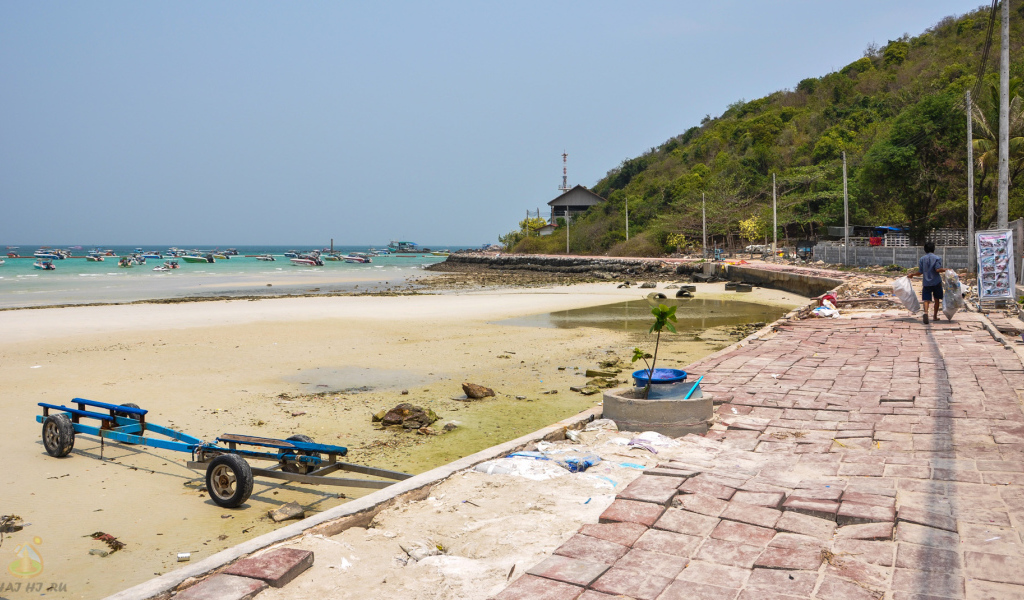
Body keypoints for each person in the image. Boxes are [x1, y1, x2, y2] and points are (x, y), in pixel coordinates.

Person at [908, 241, 947, 324]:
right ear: (933, 249)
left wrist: (912, 274)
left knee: (926, 299)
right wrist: (946, 269)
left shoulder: (922, 259)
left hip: (926, 282)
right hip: (936, 282)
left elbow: (920, 272)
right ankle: (935, 316)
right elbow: (937, 269)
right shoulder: (937, 258)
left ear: (925, 249)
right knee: (937, 299)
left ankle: (926, 312)